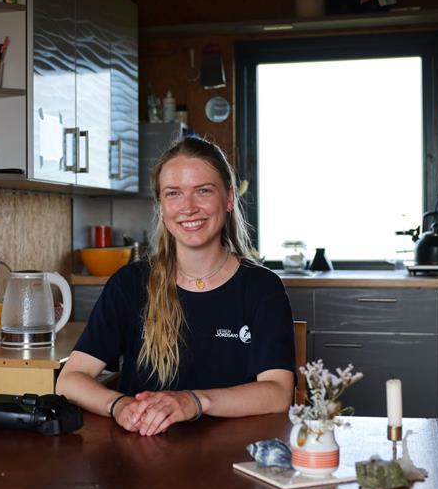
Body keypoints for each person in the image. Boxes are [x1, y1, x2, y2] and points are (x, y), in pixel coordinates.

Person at [57, 136, 295, 436]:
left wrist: (194, 401)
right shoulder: (129, 284)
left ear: (229, 198)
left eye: (203, 191)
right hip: (143, 460)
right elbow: (70, 379)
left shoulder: (262, 287)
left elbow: (277, 393)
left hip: (236, 460)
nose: (189, 207)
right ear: (161, 204)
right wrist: (118, 405)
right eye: (174, 194)